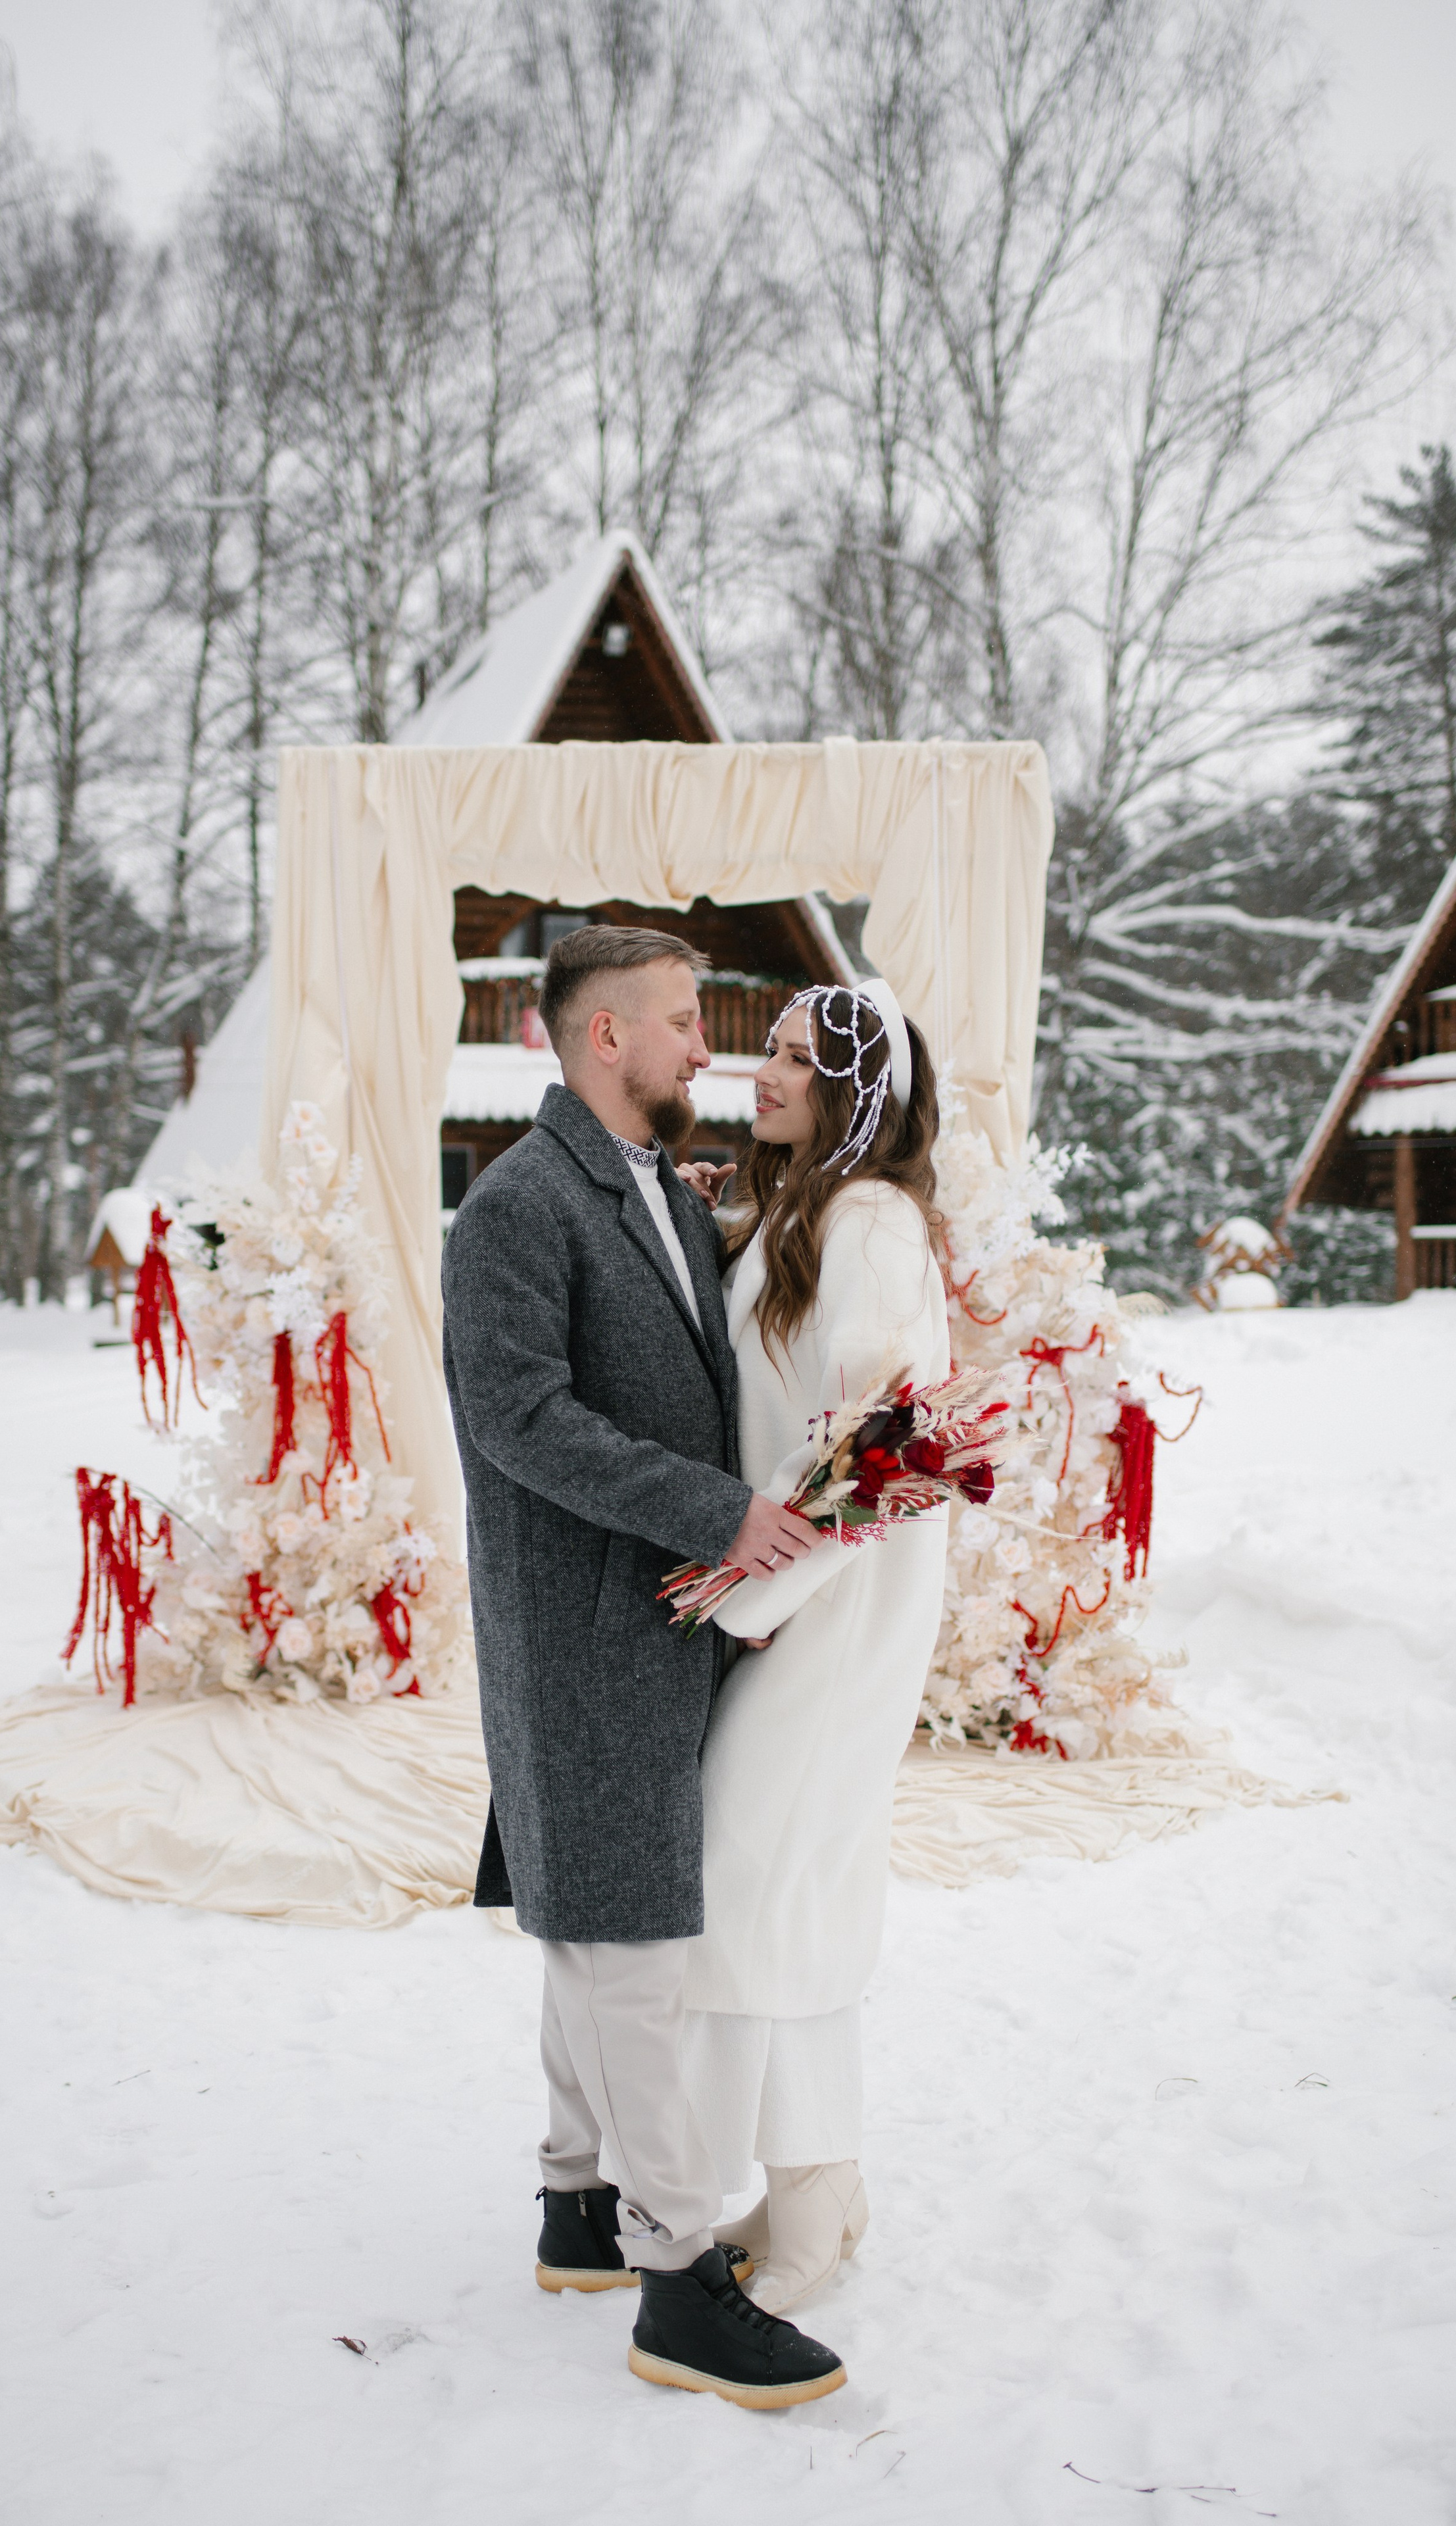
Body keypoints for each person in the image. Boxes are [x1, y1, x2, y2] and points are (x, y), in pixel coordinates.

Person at [440, 925, 848, 2412]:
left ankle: (575, 2206)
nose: (708, 1050)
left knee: (592, 1928)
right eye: (683, 1023)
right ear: (603, 1038)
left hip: (658, 1626)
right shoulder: (512, 1207)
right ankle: (679, 2281)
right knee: (635, 1960)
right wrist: (723, 1518)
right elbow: (516, 1420)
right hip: (583, 1636)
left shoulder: (653, 1195)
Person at [677, 979, 950, 2318]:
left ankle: (812, 2198)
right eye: (767, 1048)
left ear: (857, 1091)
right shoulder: (797, 1212)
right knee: (776, 1887)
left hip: (837, 1610)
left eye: (794, 1057)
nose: (763, 1068)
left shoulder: (870, 1221)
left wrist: (747, 1581)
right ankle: (813, 2185)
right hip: (787, 1601)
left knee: (764, 1878)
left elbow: (882, 1441)